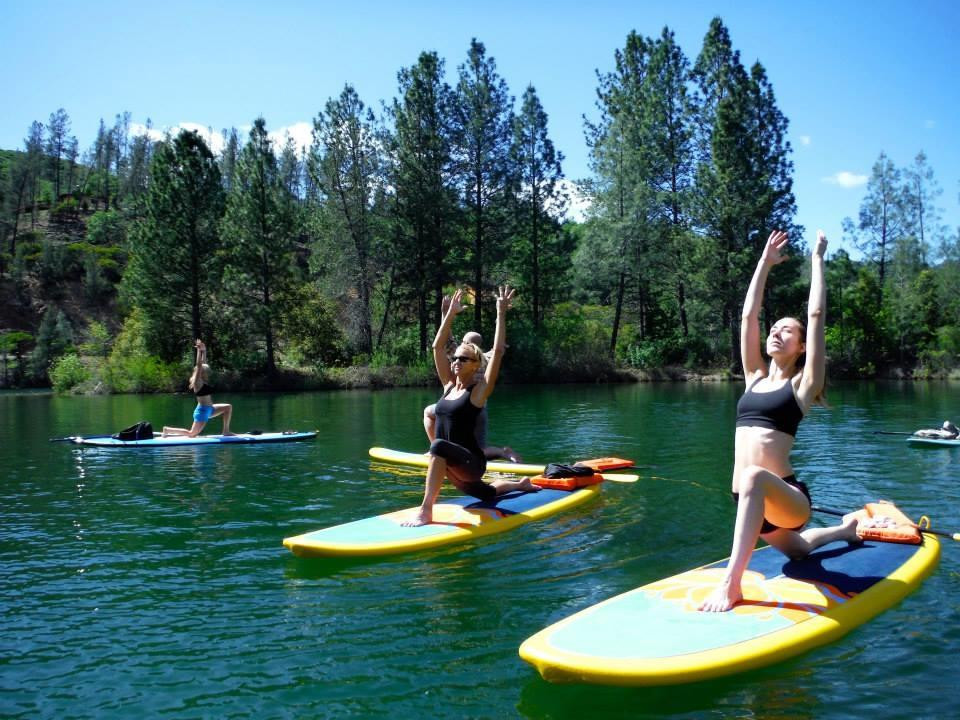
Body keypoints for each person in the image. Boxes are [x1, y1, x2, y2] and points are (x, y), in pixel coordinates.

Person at [699, 229, 859, 613]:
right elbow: (748, 315)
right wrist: (764, 263)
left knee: (754, 474)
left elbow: (816, 315)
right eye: (775, 328)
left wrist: (817, 260)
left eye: (787, 329)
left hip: (786, 497)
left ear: (802, 346)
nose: (775, 331)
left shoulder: (803, 386)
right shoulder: (753, 376)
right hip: (749, 501)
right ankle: (844, 529)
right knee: (799, 550)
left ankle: (731, 583)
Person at [403, 286, 537, 527]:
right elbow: (437, 348)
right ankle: (520, 484)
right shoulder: (447, 386)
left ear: (475, 365)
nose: (456, 362)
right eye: (455, 358)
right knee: (488, 493)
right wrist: (449, 315)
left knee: (439, 445)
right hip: (454, 467)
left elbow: (496, 351)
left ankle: (426, 510)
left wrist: (501, 312)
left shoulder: (477, 393)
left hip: (471, 464)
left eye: (463, 359)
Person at [422, 327, 522, 463]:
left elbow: (444, 342)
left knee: (428, 412)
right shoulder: (484, 357)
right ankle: (502, 452)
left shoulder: (464, 357)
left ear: (467, 344)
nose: (457, 361)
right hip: (478, 407)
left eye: (464, 342)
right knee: (477, 448)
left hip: (467, 406)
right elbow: (498, 349)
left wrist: (447, 313)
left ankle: (438, 450)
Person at [161, 339, 235, 438]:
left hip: (210, 409)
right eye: (206, 371)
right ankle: (167, 430)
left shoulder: (203, 380)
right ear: (201, 372)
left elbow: (203, 363)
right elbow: (199, 365)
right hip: (202, 411)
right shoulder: (197, 382)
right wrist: (199, 351)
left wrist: (204, 351)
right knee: (192, 434)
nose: (208, 372)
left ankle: (226, 431)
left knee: (228, 407)